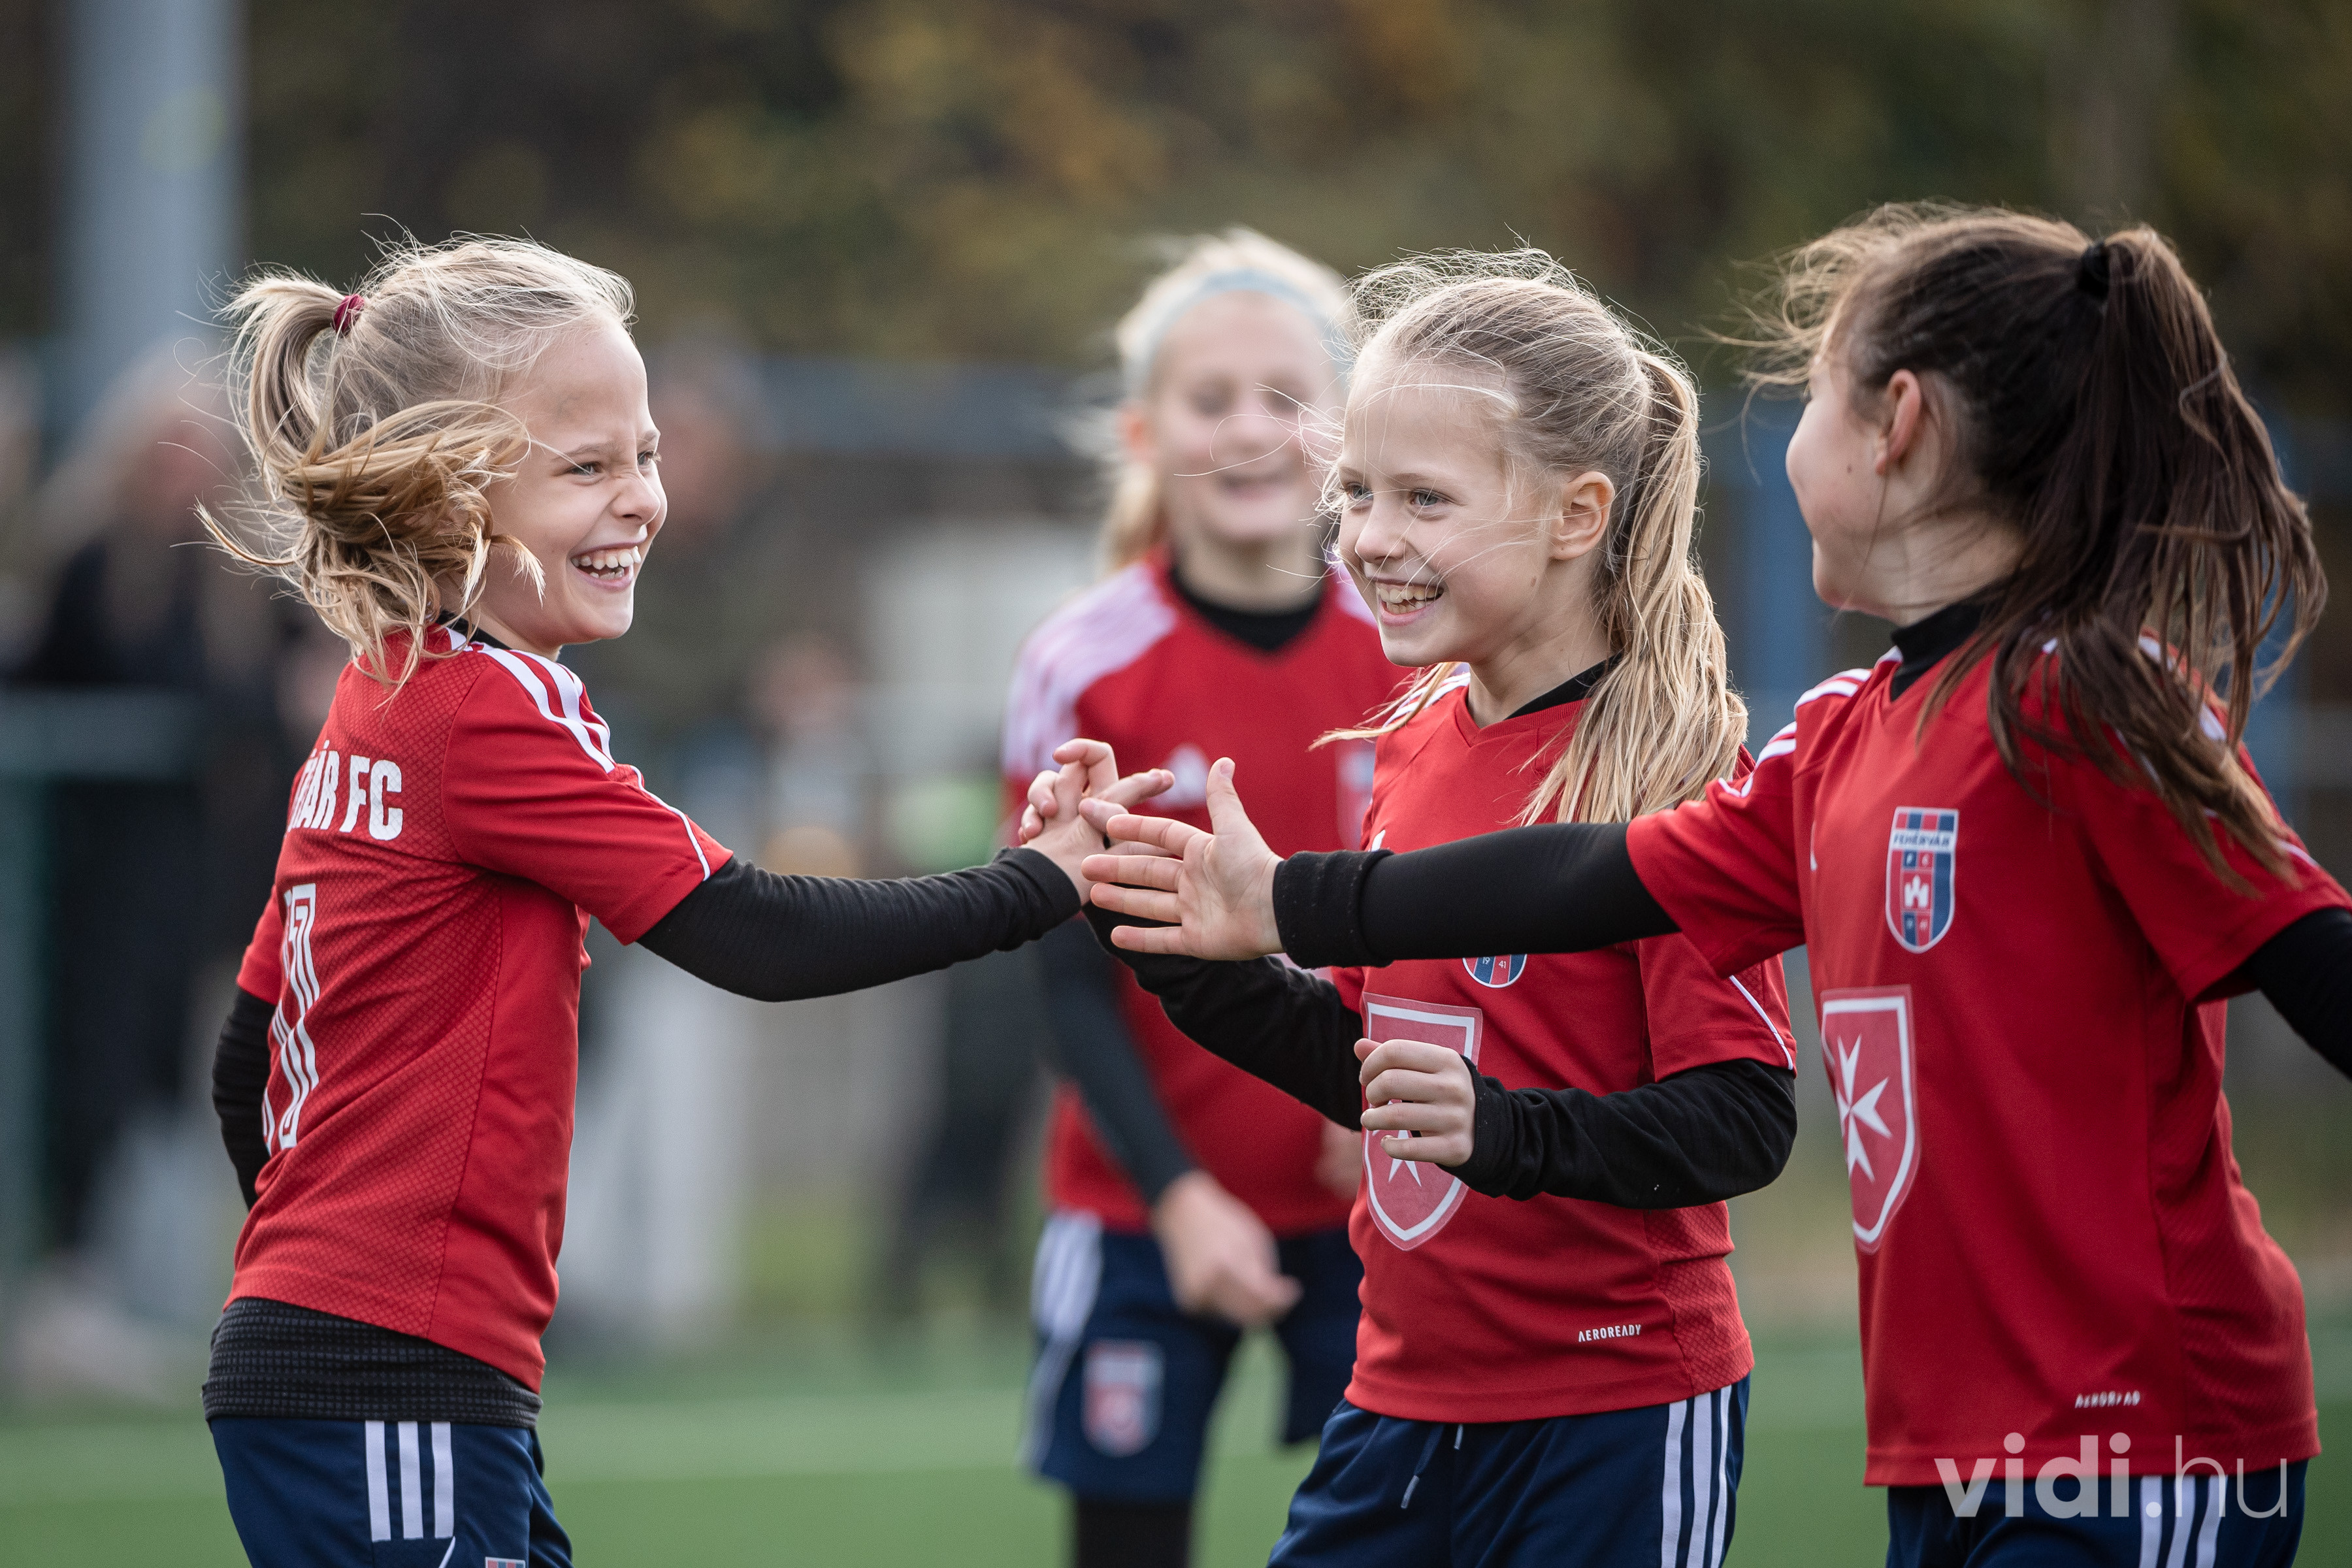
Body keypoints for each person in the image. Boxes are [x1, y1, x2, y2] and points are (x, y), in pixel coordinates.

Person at [1079, 210, 2352, 1567]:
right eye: (1360, 493)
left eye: (1811, 392)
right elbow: (1585, 882)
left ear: (1898, 426)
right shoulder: (1848, 734)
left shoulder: (2085, 703)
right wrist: (1226, 916)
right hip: (1945, 1443)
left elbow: (2311, 959)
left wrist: (1338, 947)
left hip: (2135, 1433)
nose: (1370, 534)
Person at [193, 237, 1166, 1568]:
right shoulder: (487, 710)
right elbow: (753, 933)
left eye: (644, 455)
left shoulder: (384, 695)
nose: (642, 499)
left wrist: (309, 1278)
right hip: (388, 1374)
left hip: (372, 1363)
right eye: (586, 467)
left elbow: (250, 1058)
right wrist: (1035, 883)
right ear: (439, 493)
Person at [1028, 250, 1799, 1567]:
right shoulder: (1414, 740)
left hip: (1611, 1405)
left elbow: (1745, 1118)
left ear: (1576, 514)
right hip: (1398, 1403)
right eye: (1357, 493)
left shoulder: (1665, 771)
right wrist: (1150, 918)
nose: (1368, 538)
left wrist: (1506, 1132)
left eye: (1423, 498)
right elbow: (1362, 1066)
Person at [999, 229, 1399, 1568]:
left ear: (1344, 427)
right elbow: (1065, 975)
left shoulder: (1419, 645)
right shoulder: (1081, 662)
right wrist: (1175, 1196)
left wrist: (1378, 1099)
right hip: (1140, 1208)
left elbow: (1451, 915)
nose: (1248, 429)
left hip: (1385, 1197)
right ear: (1143, 433)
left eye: (1285, 395)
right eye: (1209, 398)